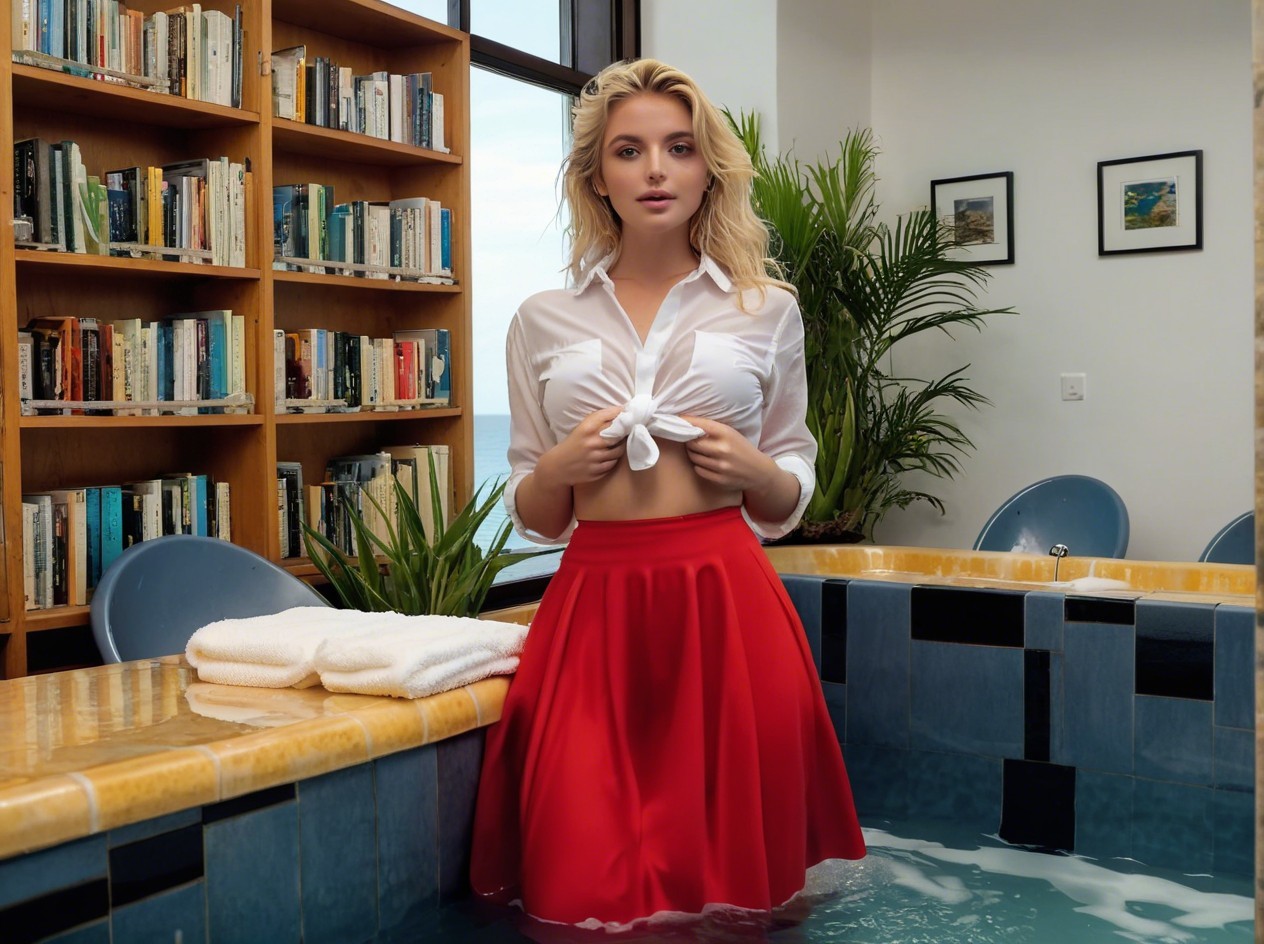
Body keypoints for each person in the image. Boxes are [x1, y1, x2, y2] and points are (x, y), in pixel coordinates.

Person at [469, 57, 865, 930]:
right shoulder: (541, 317)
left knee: (739, 897)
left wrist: (759, 474)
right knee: (574, 889)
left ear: (706, 168)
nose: (655, 169)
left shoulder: (769, 309)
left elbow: (789, 474)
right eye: (629, 150)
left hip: (728, 601)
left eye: (678, 148)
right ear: (596, 176)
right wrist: (559, 470)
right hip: (592, 604)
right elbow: (535, 514)